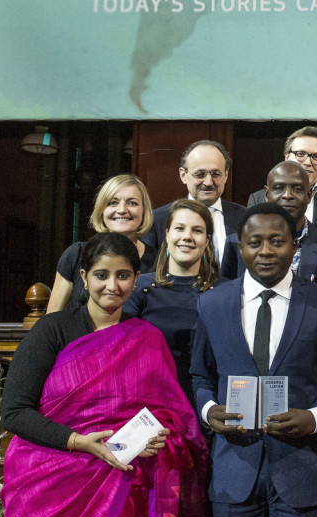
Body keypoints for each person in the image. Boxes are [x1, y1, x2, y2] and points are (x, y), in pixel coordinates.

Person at [1, 232, 206, 517]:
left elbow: (171, 415)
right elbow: (14, 411)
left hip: (129, 483)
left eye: (123, 275)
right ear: (83, 277)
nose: (113, 286)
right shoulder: (53, 330)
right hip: (53, 482)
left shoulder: (148, 338)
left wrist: (158, 438)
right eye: (101, 275)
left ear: (136, 278)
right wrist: (79, 442)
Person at [191, 203, 317, 517]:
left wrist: (315, 418)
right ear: (241, 248)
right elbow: (200, 375)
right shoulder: (212, 304)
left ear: (295, 245)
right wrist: (209, 410)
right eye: (255, 242)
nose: (266, 251)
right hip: (234, 471)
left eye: (277, 241)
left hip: (303, 469)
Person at [125, 198, 219, 405]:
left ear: (207, 239)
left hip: (209, 403)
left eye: (197, 231)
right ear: (167, 234)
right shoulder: (140, 288)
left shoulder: (225, 291)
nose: (187, 237)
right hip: (151, 400)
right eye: (179, 228)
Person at [224, 161, 317, 292]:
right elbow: (227, 295)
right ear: (266, 194)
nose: (288, 195)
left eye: (297, 189)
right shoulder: (235, 242)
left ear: (309, 195)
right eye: (279, 188)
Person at [48, 174, 155, 312]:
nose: (122, 210)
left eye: (132, 203)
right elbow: (51, 319)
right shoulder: (76, 254)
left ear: (144, 210)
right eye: (112, 203)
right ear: (102, 210)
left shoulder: (158, 261)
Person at [143, 140, 246, 266]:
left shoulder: (245, 218)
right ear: (183, 175)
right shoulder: (158, 220)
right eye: (200, 174)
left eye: (216, 174)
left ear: (226, 175)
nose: (208, 182)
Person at [247, 126, 317, 226]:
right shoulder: (258, 199)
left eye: (316, 157)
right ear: (287, 156)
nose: (308, 162)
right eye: (300, 154)